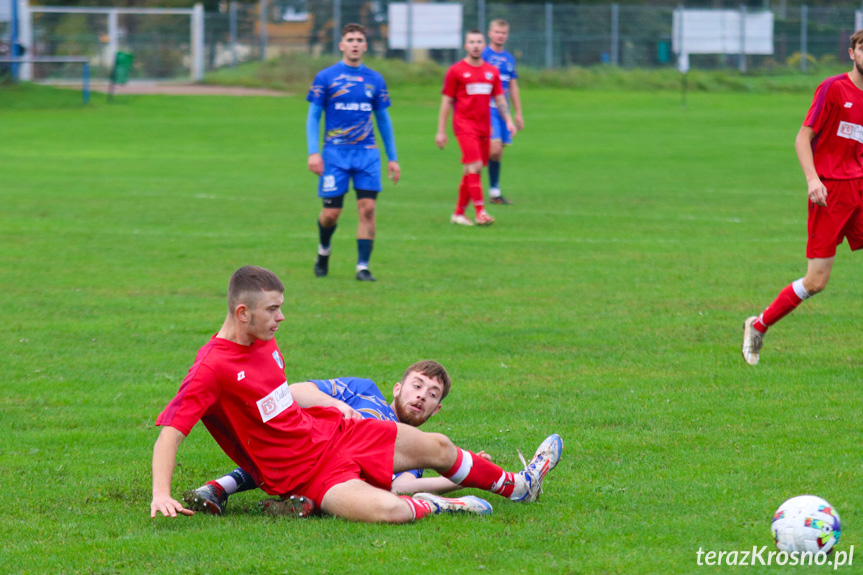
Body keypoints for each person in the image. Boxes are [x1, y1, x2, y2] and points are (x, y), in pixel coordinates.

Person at [151, 265, 563, 523]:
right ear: (244, 313)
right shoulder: (211, 369)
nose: (281, 317)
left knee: (437, 445)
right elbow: (170, 433)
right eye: (273, 309)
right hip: (308, 476)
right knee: (388, 511)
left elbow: (284, 400)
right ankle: (446, 505)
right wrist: (160, 495)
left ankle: (518, 486)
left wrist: (332, 406)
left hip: (337, 434)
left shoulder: (263, 341)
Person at [182, 361, 495, 516]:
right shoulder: (365, 391)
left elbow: (399, 486)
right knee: (296, 444)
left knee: (372, 493)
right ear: (398, 388)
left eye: (431, 394)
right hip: (307, 447)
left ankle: (288, 506)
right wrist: (337, 406)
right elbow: (295, 392)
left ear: (437, 409)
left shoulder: (412, 449)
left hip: (337, 480)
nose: (420, 397)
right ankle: (218, 488)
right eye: (417, 386)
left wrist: (459, 477)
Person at [742, 30, 863, 366]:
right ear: (852, 53)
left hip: (860, 188)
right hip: (830, 192)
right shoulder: (833, 88)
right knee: (817, 280)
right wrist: (813, 180)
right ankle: (759, 325)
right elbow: (802, 138)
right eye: (862, 48)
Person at [307, 23, 400, 282]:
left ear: (366, 46)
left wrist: (392, 158)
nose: (355, 43)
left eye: (360, 39)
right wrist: (313, 152)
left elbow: (383, 121)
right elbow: (313, 117)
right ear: (341, 45)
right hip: (334, 154)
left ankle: (362, 266)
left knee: (367, 208)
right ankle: (324, 250)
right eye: (350, 39)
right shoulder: (326, 77)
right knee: (330, 214)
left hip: (367, 154)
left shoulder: (375, 80)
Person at [436, 30, 516, 227]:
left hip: (483, 127)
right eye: (471, 42)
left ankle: (458, 214)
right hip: (464, 125)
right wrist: (441, 130)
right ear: (466, 45)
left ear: (483, 44)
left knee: (470, 170)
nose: (475, 45)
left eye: (479, 42)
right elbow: (446, 101)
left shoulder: (491, 72)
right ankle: (480, 212)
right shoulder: (455, 71)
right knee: (476, 166)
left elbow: (499, 98)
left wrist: (508, 120)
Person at [482, 19, 524, 205]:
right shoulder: (483, 55)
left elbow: (513, 86)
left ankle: (494, 192)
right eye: (497, 32)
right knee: (494, 149)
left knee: (498, 153)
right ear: (490, 33)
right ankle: (472, 179)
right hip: (485, 109)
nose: (500, 35)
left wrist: (518, 113)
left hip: (502, 111)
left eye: (504, 33)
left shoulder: (509, 59)